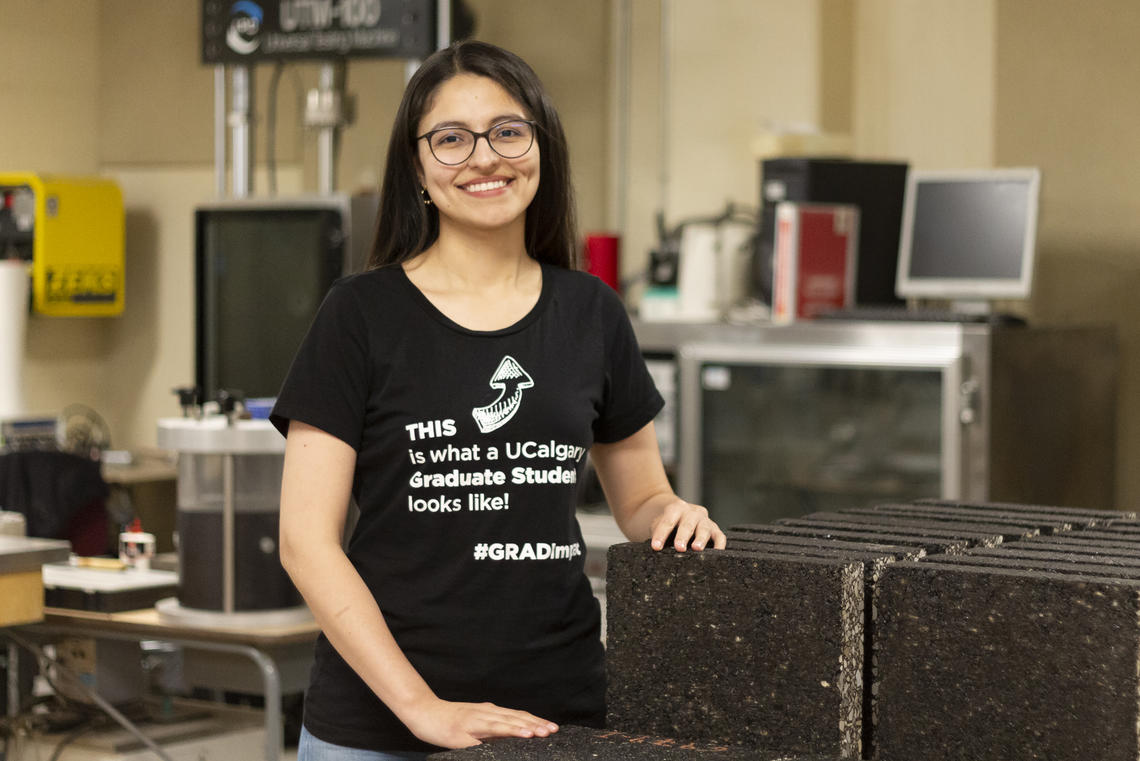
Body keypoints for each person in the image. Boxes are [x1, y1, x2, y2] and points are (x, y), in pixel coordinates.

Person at [271, 39, 727, 760]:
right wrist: (425, 709)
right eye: (451, 139)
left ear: (541, 149)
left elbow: (640, 501)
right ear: (417, 169)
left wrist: (673, 512)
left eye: (508, 131)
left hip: (559, 712)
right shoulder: (360, 315)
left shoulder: (592, 312)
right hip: (382, 724)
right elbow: (305, 540)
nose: (485, 157)